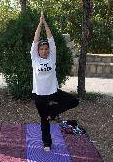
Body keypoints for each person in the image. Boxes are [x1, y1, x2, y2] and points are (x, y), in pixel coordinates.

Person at [31, 13, 79, 151]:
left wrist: (45, 23)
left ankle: (53, 111)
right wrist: (39, 24)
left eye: (46, 49)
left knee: (74, 101)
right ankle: (47, 143)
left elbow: (51, 40)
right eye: (42, 49)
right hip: (39, 95)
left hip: (53, 92)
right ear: (38, 51)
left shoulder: (52, 58)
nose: (44, 51)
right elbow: (35, 41)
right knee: (44, 119)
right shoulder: (35, 59)